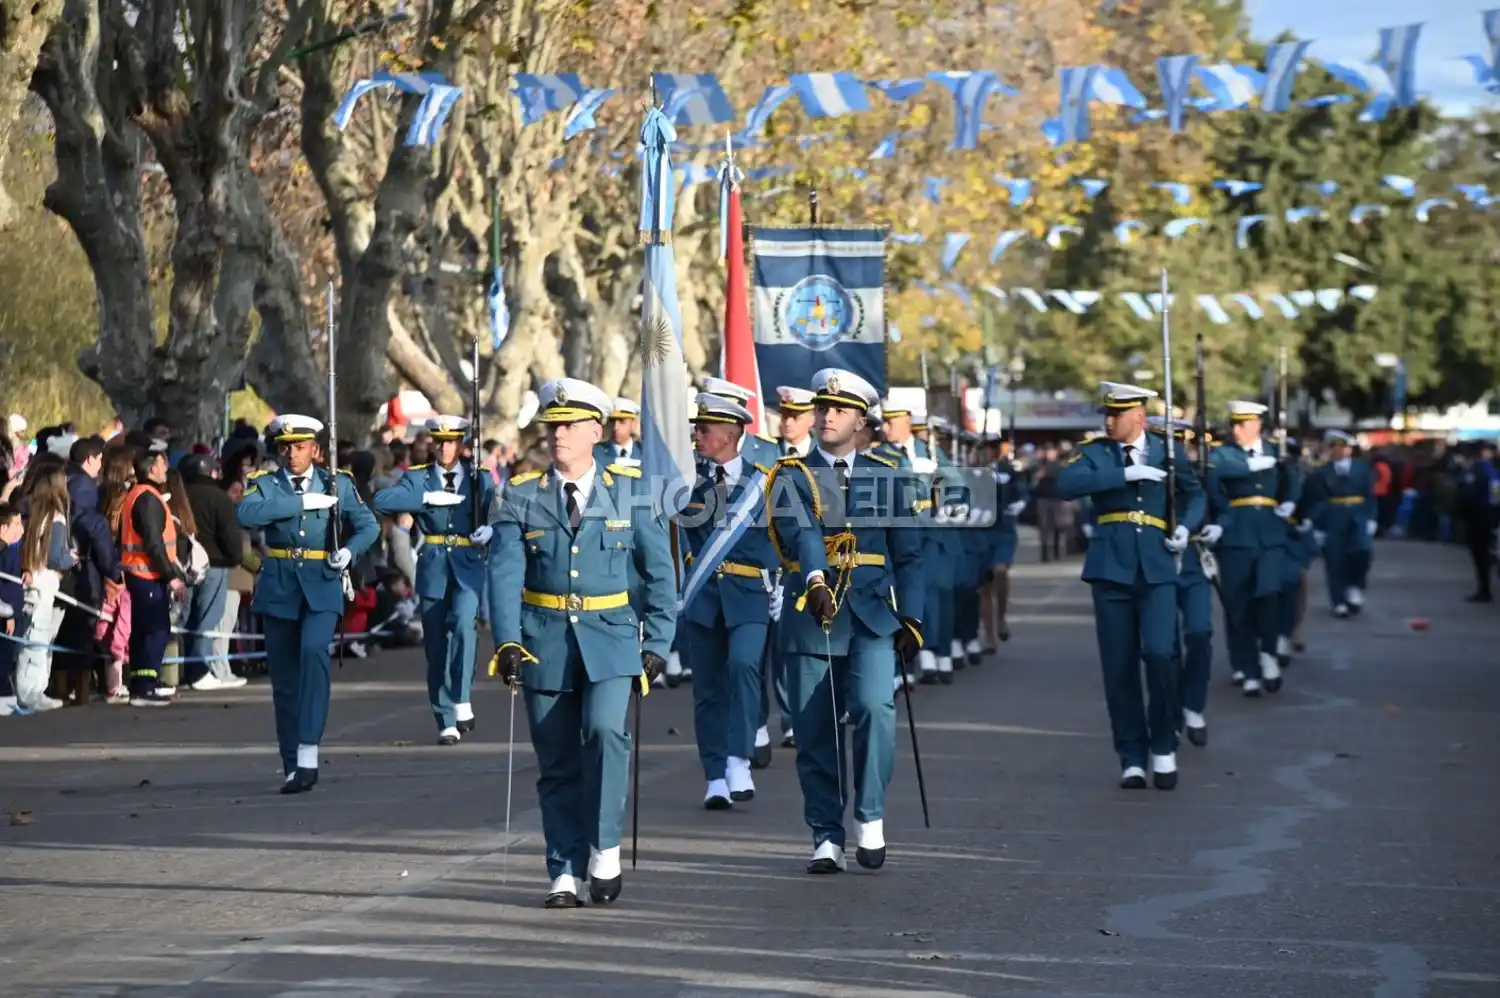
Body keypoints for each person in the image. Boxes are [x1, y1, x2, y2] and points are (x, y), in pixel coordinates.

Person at [485, 378, 676, 908]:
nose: (558, 435)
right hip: (543, 641)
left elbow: (660, 573)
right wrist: (507, 643)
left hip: (612, 640)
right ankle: (563, 869)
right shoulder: (520, 495)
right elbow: (503, 575)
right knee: (558, 761)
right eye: (553, 426)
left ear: (597, 429)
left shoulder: (632, 493)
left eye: (569, 425)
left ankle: (605, 847)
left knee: (605, 733)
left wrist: (658, 638)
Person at [766, 367, 925, 874]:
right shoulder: (792, 475)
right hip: (814, 611)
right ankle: (825, 833)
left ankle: (870, 815)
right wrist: (814, 578)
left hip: (874, 615)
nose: (827, 415)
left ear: (860, 420)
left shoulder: (887, 476)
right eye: (822, 408)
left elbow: (911, 555)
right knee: (815, 729)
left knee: (876, 709)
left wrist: (914, 617)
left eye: (838, 409)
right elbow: (803, 534)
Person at [1056, 383, 1204, 790]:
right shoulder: (1097, 453)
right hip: (1110, 567)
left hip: (1156, 565)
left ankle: (1163, 744)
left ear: (1138, 416)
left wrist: (1186, 529)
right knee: (1118, 666)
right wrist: (1124, 473)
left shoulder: (1167, 451)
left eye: (1116, 414)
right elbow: (1067, 485)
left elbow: (1195, 496)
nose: (1108, 420)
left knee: (1160, 654)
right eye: (1107, 413)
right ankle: (1132, 756)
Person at [236, 415, 379, 794]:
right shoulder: (265, 484)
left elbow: (369, 525)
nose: (292, 454)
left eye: (300, 447)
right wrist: (299, 502)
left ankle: (309, 752)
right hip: (280, 585)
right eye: (286, 447)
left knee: (315, 652)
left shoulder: (338, 483)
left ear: (315, 449)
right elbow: (245, 514)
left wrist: (348, 552)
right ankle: (290, 763)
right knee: (284, 680)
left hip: (321, 582)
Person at [677, 393, 777, 808]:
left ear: (732, 434)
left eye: (705, 429)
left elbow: (784, 538)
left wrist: (784, 584)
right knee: (708, 689)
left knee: (744, 666)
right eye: (696, 428)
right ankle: (714, 775)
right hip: (703, 598)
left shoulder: (767, 482)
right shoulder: (684, 483)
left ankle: (739, 757)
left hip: (751, 596)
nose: (696, 435)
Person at [372, 414, 497, 744]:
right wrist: (424, 499)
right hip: (434, 563)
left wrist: (491, 529)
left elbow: (499, 510)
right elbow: (382, 500)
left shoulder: (478, 478)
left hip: (468, 562)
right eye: (439, 442)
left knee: (464, 624)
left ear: (462, 445)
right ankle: (445, 718)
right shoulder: (419, 478)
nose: (444, 448)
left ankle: (462, 696)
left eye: (451, 442)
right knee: (437, 644)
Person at [1207, 401, 1300, 696]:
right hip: (1236, 532)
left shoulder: (1276, 449)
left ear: (1257, 425)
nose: (1235, 430)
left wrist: (1291, 501)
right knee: (1238, 604)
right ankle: (1247, 668)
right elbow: (1215, 472)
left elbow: (1294, 478)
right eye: (1233, 424)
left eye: (1242, 424)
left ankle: (1268, 652)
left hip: (1270, 532)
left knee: (1270, 592)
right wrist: (1249, 465)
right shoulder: (1223, 453)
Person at [56, 435, 119, 703]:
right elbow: (91, 526)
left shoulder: (62, 477)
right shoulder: (83, 485)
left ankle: (58, 687)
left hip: (61, 565)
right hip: (82, 568)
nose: (101, 465)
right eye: (100, 459)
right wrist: (113, 569)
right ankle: (78, 692)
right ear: (90, 459)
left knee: (61, 631)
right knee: (81, 631)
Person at [180, 453, 249, 690]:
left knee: (184, 618)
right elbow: (230, 536)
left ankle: (181, 669)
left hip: (183, 565)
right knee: (208, 618)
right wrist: (234, 558)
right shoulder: (219, 498)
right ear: (211, 472)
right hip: (215, 565)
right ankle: (199, 671)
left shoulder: (180, 495)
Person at [12, 465, 76, 711]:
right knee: (38, 640)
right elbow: (55, 558)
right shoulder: (56, 517)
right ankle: (32, 692)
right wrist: (72, 558)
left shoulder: (29, 511)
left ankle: (29, 689)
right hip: (46, 581)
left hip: (30, 580)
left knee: (29, 638)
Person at [1457, 441, 1498, 603]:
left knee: (1481, 555)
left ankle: (1484, 590)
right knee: (1488, 552)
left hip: (1478, 515)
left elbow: (1467, 493)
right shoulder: (1492, 470)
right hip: (1490, 514)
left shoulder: (1477, 470)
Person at [595, 398, 641, 464]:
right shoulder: (596, 452)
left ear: (633, 424)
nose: (615, 427)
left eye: (622, 421)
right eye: (612, 421)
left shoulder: (644, 452)